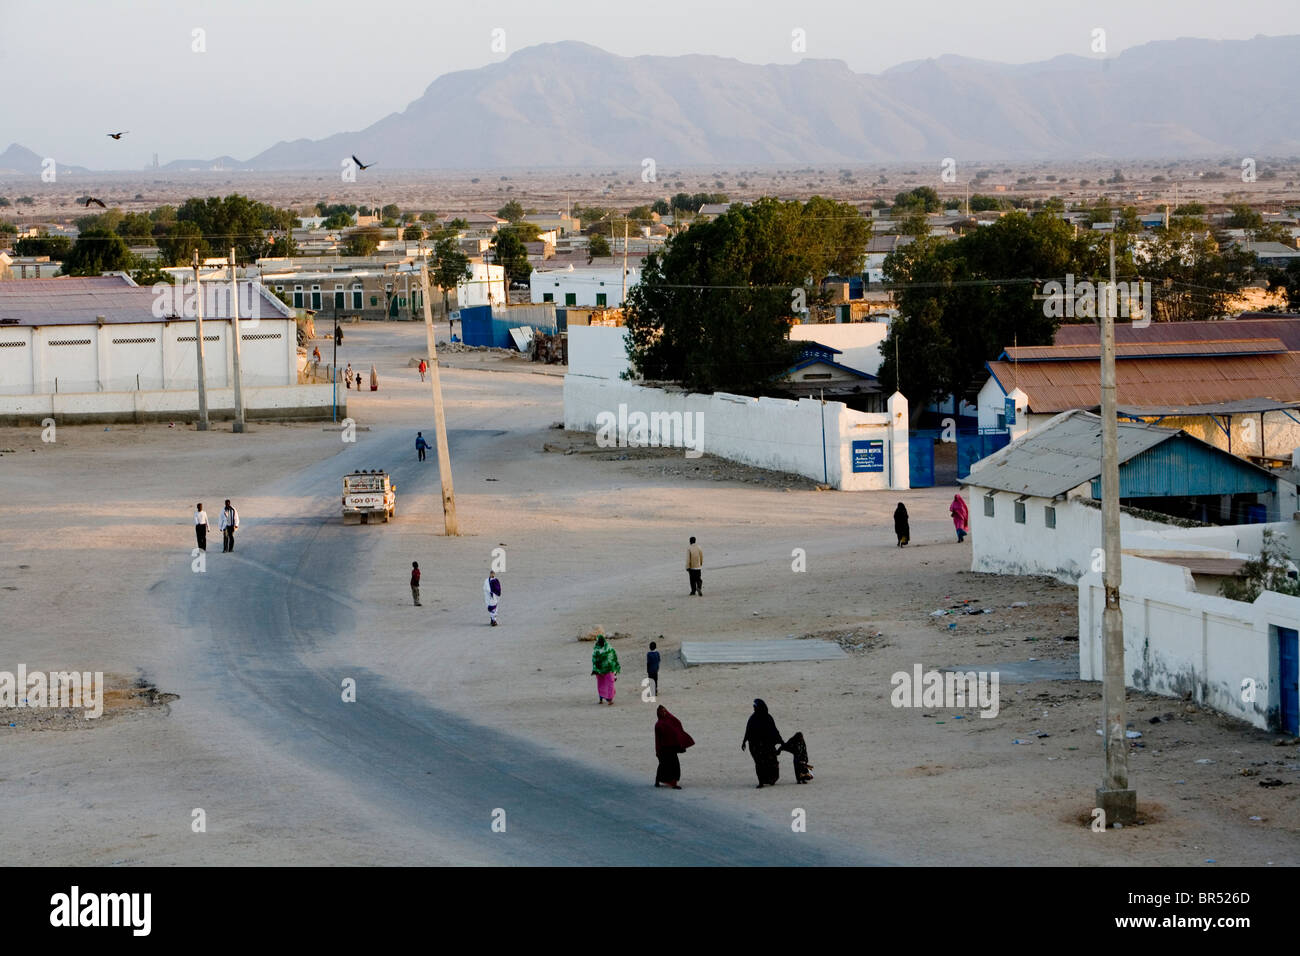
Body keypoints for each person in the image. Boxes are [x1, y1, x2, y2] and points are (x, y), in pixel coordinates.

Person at [742, 698, 783, 788]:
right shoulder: (753, 718)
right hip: (756, 745)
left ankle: (772, 779)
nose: (754, 708)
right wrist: (744, 741)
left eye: (755, 707)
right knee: (759, 763)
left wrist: (780, 741)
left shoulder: (768, 718)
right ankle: (761, 781)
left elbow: (774, 730)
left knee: (771, 762)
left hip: (767, 744)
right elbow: (748, 730)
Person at [654, 705, 694, 789]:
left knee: (669, 765)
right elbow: (658, 739)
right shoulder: (659, 724)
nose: (664, 713)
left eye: (664, 711)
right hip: (665, 748)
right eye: (662, 712)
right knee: (668, 765)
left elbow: (677, 730)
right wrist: (658, 750)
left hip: (670, 748)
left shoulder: (669, 721)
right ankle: (668, 782)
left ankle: (669, 782)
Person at [591, 634, 620, 704]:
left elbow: (594, 660)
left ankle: (601, 698)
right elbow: (613, 658)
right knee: (610, 683)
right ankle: (609, 699)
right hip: (609, 669)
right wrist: (615, 668)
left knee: (601, 683)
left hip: (599, 670)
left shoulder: (596, 649)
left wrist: (595, 668)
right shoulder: (609, 648)